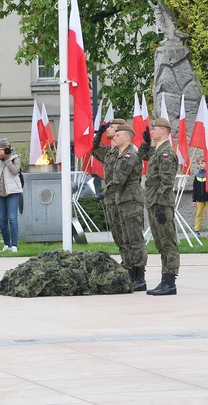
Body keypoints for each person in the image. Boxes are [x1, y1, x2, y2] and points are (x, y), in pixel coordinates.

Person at [93, 118, 146, 289]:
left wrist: (103, 193)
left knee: (134, 238)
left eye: (117, 134)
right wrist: (99, 134)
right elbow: (95, 150)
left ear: (126, 136)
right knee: (122, 237)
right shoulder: (115, 152)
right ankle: (129, 269)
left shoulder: (129, 154)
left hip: (128, 199)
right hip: (118, 198)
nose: (114, 137)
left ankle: (139, 276)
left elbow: (119, 180)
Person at [140, 118, 181, 296]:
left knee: (168, 243)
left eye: (154, 129)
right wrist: (147, 143)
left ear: (164, 131)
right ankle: (165, 280)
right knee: (160, 243)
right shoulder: (158, 150)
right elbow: (143, 155)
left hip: (161, 203)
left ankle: (170, 282)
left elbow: (167, 181)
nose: (152, 131)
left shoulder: (166, 153)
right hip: (153, 201)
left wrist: (163, 205)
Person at [0, 138, 22, 253]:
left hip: (12, 192)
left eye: (6, 148)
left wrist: (7, 160)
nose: (4, 150)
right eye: (2, 149)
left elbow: (15, 171)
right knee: (2, 220)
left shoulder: (15, 157)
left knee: (12, 218)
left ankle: (14, 245)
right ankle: (6, 244)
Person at [191, 152, 208, 239]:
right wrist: (194, 200)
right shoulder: (196, 175)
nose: (201, 165)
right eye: (199, 164)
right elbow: (195, 188)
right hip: (199, 199)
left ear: (206, 163)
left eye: (202, 163)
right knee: (198, 215)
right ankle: (197, 231)